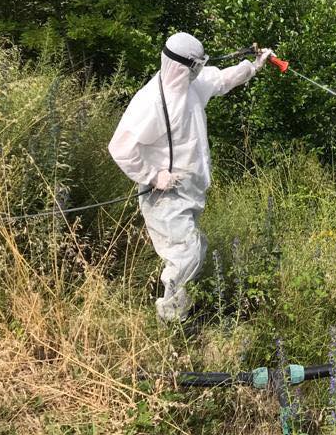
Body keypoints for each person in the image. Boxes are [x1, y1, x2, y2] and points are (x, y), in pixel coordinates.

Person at [108, 32, 274, 322]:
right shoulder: (152, 102)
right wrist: (153, 175)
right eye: (195, 66)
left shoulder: (192, 86)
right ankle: (172, 322)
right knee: (187, 253)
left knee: (192, 250)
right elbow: (120, 147)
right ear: (182, 65)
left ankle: (179, 304)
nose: (199, 70)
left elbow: (222, 79)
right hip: (164, 195)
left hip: (190, 190)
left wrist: (254, 66)